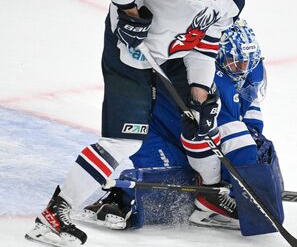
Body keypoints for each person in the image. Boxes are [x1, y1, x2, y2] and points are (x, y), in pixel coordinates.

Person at [25, 0, 272, 247]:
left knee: (203, 120)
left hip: (171, 56)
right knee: (123, 142)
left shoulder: (232, 0)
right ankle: (53, 216)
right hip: (129, 54)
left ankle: (209, 199)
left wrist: (200, 92)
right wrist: (129, 13)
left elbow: (204, 46)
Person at [76, 19, 284, 234]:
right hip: (156, 129)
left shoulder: (249, 66)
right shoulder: (209, 81)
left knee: (244, 143)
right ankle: (122, 199)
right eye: (235, 62)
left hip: (185, 131)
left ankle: (216, 190)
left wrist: (252, 149)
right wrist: (214, 187)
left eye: (247, 62)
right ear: (219, 57)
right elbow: (208, 137)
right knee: (174, 186)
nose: (243, 69)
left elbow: (248, 105)